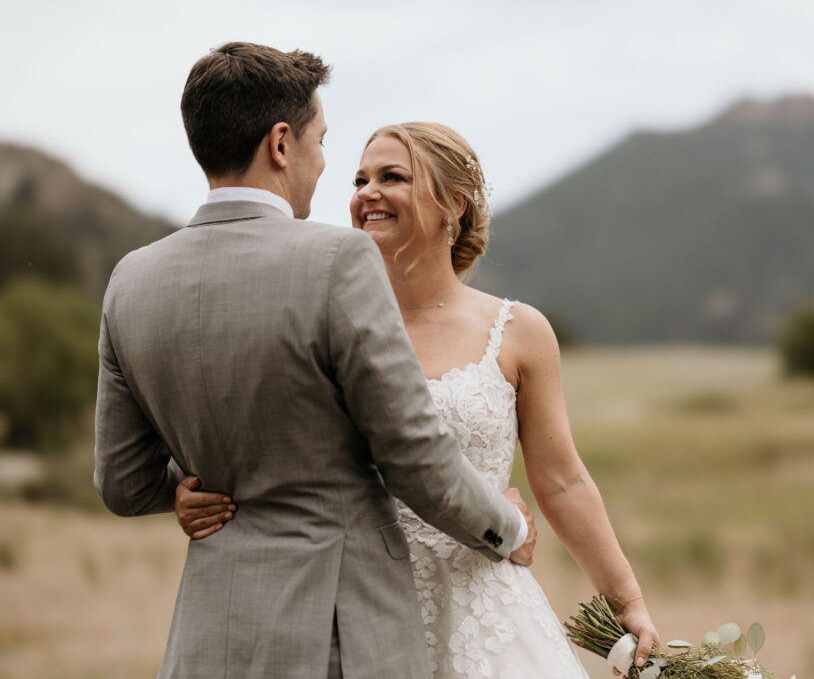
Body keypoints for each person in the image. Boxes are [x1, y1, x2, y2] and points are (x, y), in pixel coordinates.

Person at [93, 43, 539, 679]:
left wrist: (190, 491)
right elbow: (414, 456)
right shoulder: (337, 260)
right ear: (281, 144)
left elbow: (123, 484)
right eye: (321, 141)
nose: (325, 163)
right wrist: (509, 529)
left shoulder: (129, 281)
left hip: (204, 640)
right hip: (334, 636)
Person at [176, 121, 661, 677]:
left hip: (487, 620)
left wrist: (627, 602)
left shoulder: (519, 331)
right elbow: (267, 444)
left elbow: (561, 479)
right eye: (360, 179)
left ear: (453, 204)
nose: (366, 193)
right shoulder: (322, 323)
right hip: (354, 616)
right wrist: (187, 489)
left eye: (392, 177)